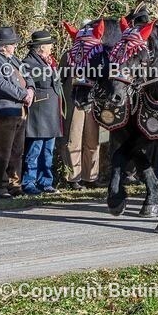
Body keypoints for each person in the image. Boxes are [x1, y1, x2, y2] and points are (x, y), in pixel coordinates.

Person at [0, 27, 35, 198]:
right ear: (3, 46)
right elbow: (0, 85)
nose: (15, 47)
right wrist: (23, 94)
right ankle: (0, 187)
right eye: (12, 44)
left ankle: (14, 184)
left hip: (20, 109)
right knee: (3, 151)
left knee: (17, 150)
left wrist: (31, 89)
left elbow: (28, 75)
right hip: (4, 110)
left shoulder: (15, 59)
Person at [21, 30, 64, 194]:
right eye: (49, 45)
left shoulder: (49, 61)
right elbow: (34, 82)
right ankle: (29, 183)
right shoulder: (28, 63)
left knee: (47, 150)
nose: (51, 48)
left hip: (51, 111)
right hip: (39, 111)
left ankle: (46, 182)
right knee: (35, 150)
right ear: (41, 47)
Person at [60, 23, 102, 190]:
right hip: (74, 100)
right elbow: (61, 79)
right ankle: (73, 177)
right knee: (73, 139)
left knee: (93, 140)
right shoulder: (68, 55)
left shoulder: (99, 54)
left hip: (93, 101)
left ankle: (90, 176)